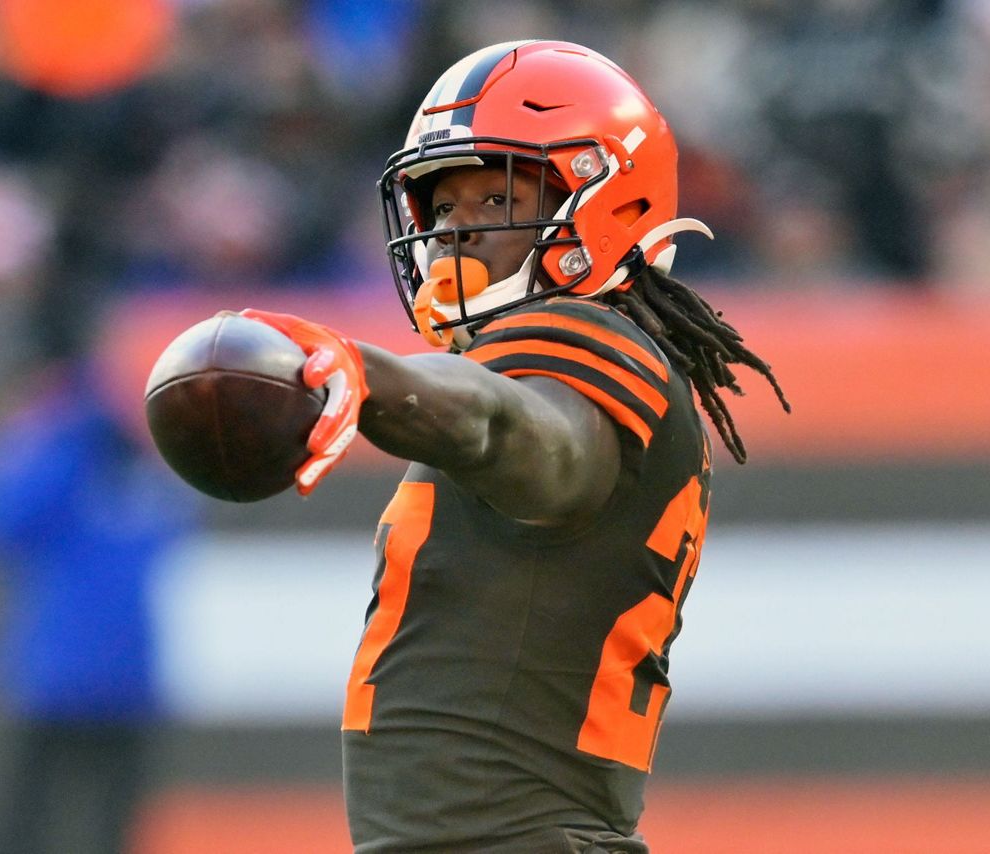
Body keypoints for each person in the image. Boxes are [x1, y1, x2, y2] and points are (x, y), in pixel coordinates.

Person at [233, 40, 790, 853]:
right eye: (443, 210)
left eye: (492, 202)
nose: (456, 235)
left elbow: (515, 433)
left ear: (607, 197)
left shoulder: (580, 335)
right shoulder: (559, 358)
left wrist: (370, 374)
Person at [0, 315, 200, 854]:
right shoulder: (84, 450)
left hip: (91, 676)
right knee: (38, 821)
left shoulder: (96, 451)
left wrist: (45, 434)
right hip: (63, 678)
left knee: (88, 823)